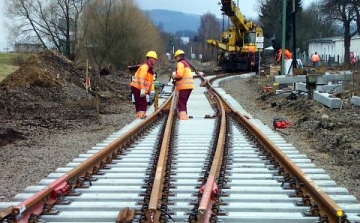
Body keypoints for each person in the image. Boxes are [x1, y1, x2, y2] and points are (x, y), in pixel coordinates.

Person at [130, 51, 157, 119]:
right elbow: (141, 78)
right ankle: (140, 116)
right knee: (142, 103)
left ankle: (139, 116)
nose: (155, 61)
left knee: (140, 103)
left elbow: (149, 81)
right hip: (138, 87)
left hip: (138, 88)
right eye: (154, 59)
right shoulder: (145, 67)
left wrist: (148, 91)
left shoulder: (149, 69)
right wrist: (142, 89)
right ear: (150, 58)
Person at [171, 49, 194, 120]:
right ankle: (185, 116)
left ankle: (183, 118)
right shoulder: (186, 63)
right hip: (189, 86)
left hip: (184, 86)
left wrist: (173, 76)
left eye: (176, 57)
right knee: (183, 102)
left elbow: (180, 75)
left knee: (181, 103)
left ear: (178, 56)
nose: (176, 59)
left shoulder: (180, 64)